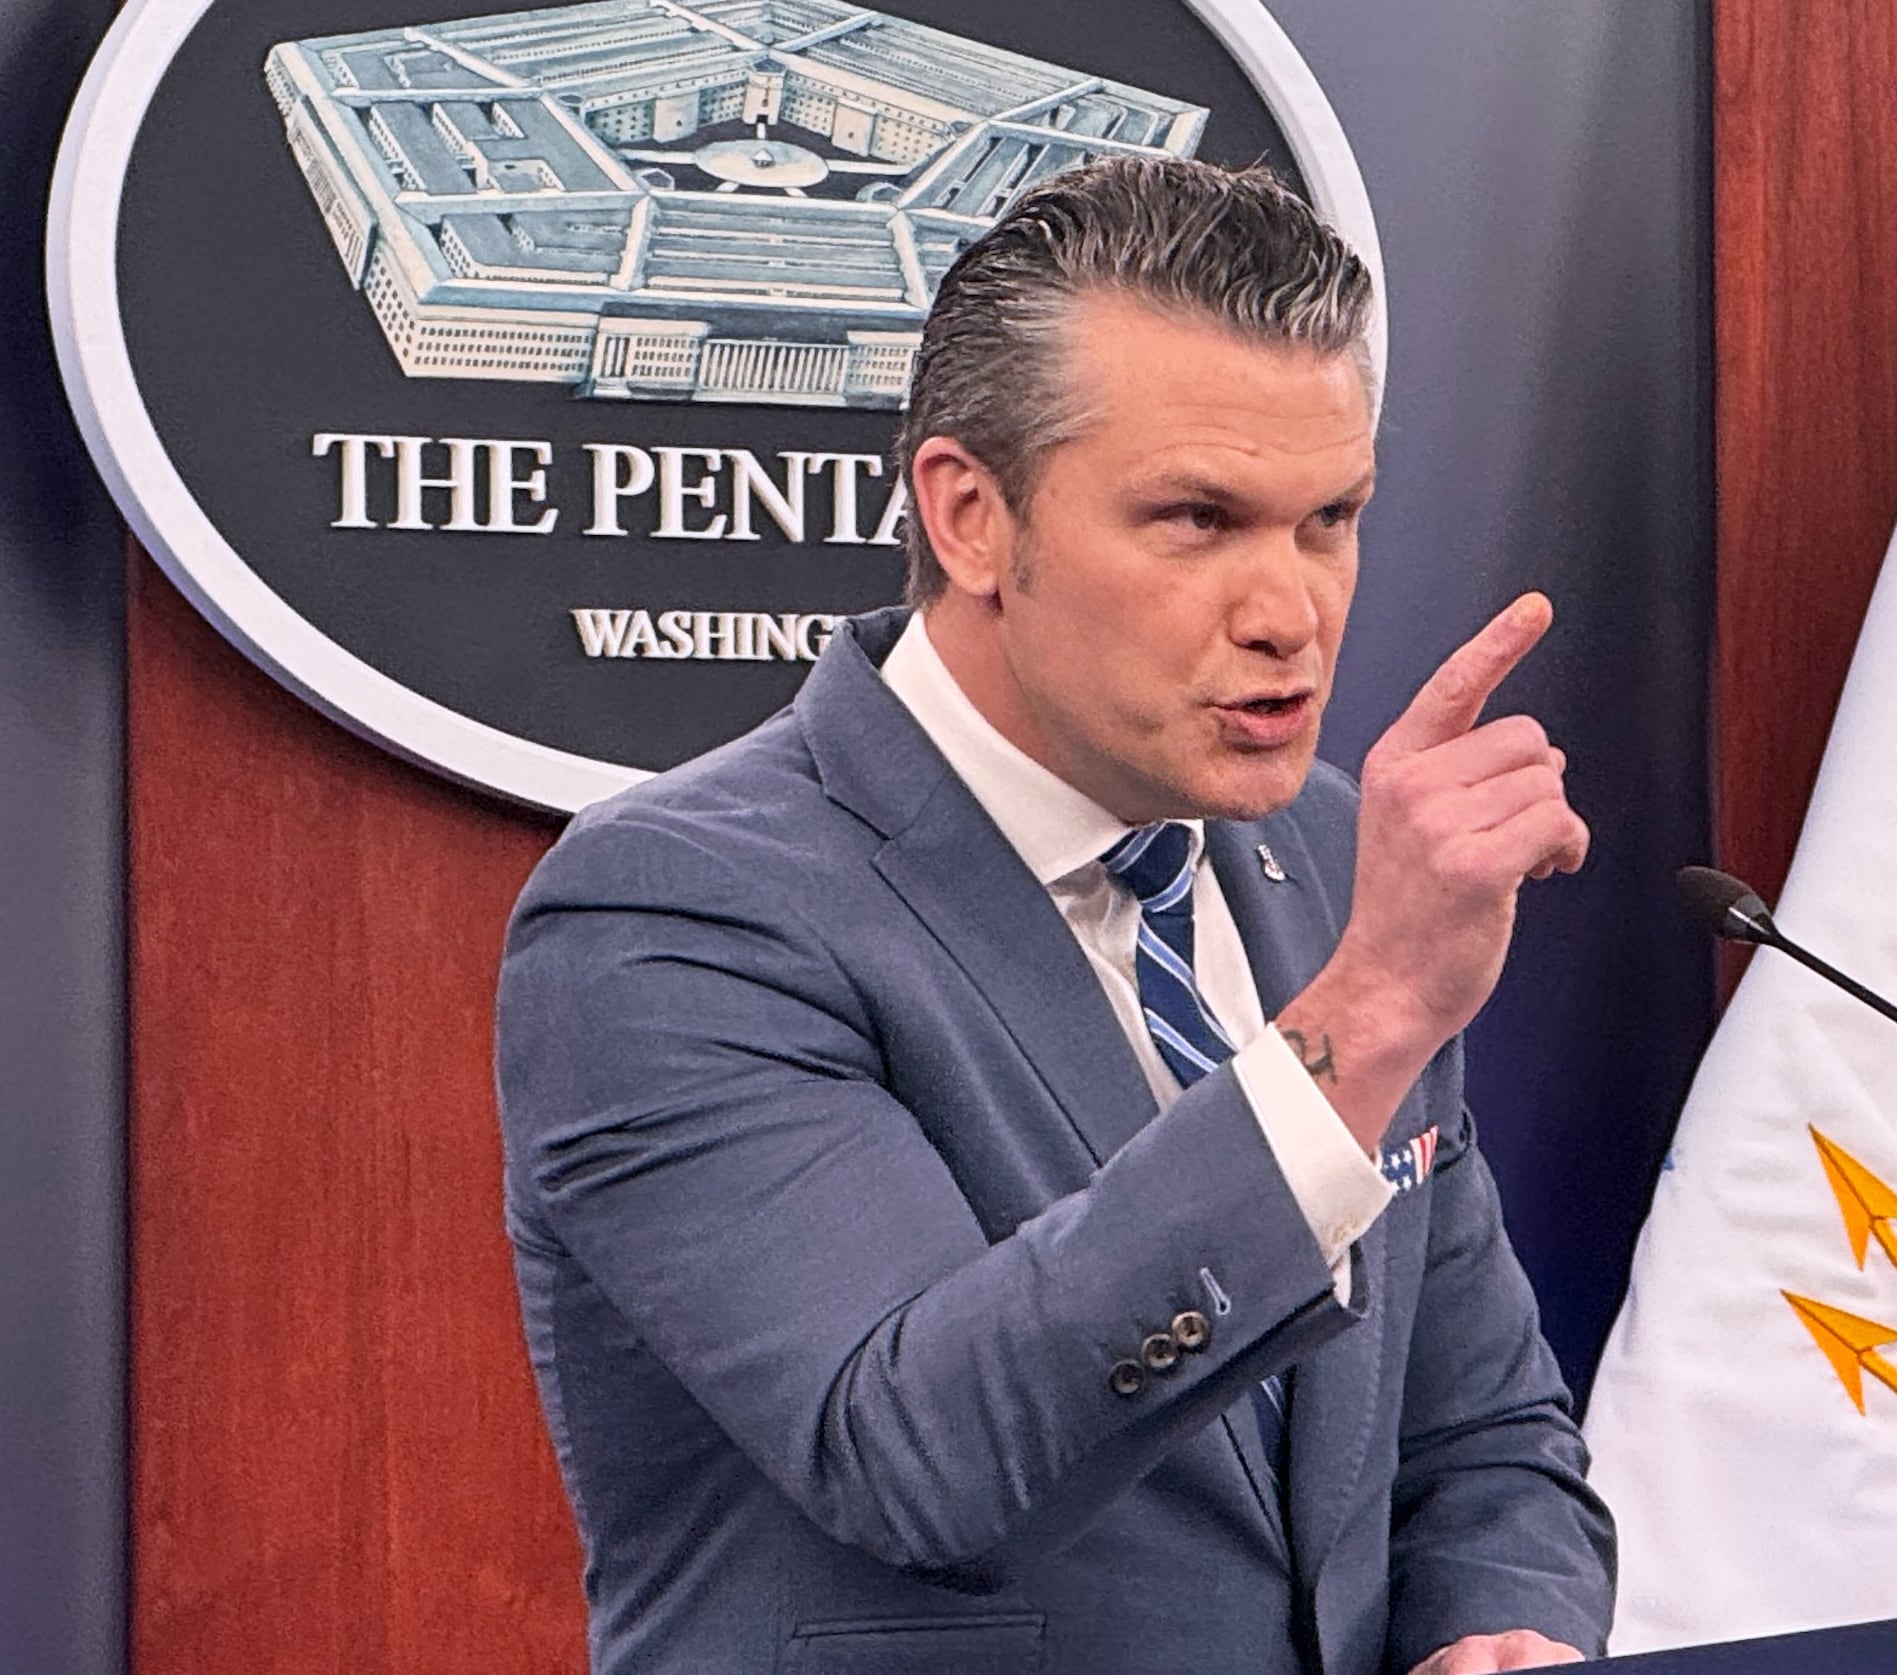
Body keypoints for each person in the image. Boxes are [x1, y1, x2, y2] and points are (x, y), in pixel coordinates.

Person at [496, 155, 1613, 1675]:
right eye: (1199, 520)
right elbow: (916, 1456)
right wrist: (1364, 1022)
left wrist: (1499, 1624)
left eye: (1330, 517)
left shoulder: (1337, 863)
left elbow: (1479, 1431)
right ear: (970, 516)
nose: (1291, 609)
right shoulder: (679, 909)